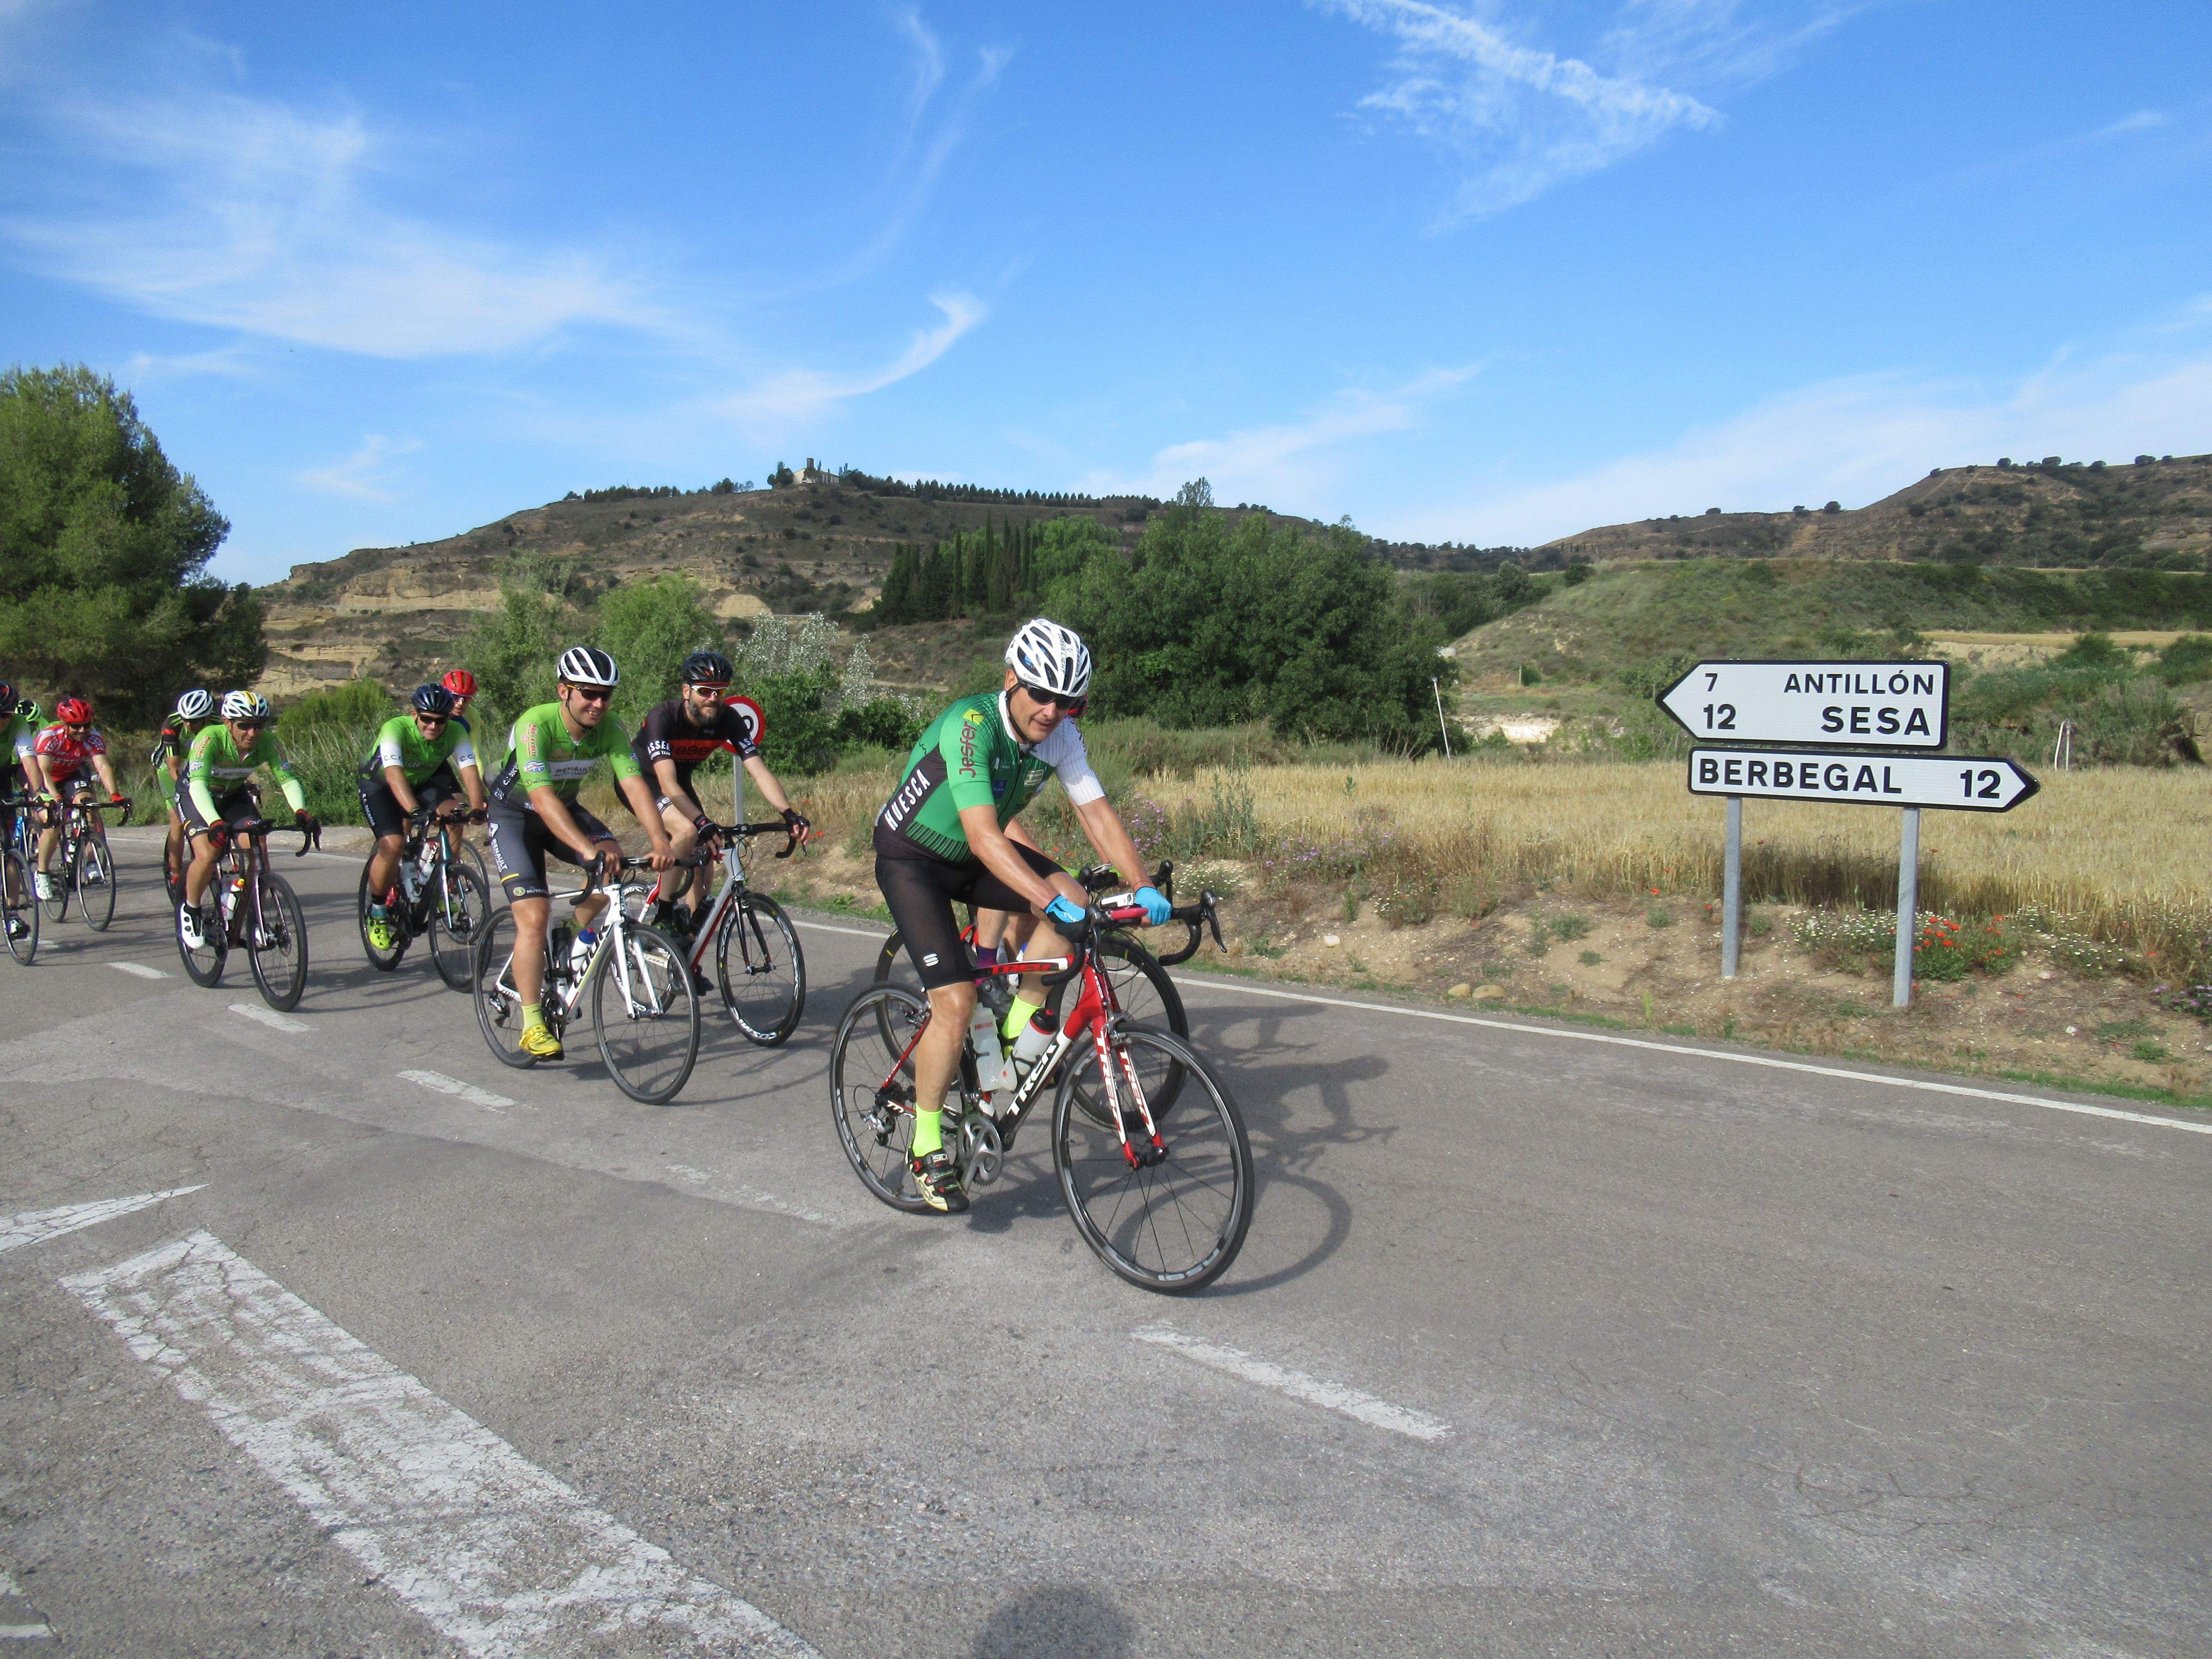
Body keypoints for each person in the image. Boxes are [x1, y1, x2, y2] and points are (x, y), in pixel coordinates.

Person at [873, 618, 1173, 1214]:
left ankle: (1017, 1028)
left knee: (1080, 907)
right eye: (1040, 694)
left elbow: (1097, 815)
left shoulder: (1059, 736)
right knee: (954, 1002)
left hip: (972, 854)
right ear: (1011, 679)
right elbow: (987, 838)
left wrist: (1141, 884)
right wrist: (1044, 897)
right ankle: (926, 1143)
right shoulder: (972, 724)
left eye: (1070, 702)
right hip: (915, 858)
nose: (1052, 711)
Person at [483, 647, 671, 1060]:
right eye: (589, 693)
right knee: (534, 917)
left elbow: (636, 784)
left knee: (614, 867)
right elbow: (542, 796)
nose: (599, 704)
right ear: (564, 691)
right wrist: (587, 851)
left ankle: (570, 937)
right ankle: (533, 1023)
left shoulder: (610, 729)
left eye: (606, 695)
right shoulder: (536, 724)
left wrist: (660, 839)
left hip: (562, 811)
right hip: (516, 813)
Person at [628, 649, 810, 934]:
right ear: (686, 690)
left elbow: (759, 772)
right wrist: (700, 822)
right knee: (688, 832)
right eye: (705, 691)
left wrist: (788, 813)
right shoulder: (663, 717)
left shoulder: (729, 718)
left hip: (680, 782)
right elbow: (666, 782)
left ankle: (687, 946)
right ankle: (663, 911)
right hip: (644, 781)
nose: (713, 698)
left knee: (704, 857)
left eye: (720, 691)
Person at [179, 691, 316, 951]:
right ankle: (192, 911)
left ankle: (254, 921)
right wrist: (215, 822)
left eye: (259, 726)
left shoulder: (270, 742)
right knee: (208, 853)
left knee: (256, 849)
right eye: (244, 725)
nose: (252, 733)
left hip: (233, 795)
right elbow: (197, 787)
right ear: (227, 722)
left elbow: (287, 779)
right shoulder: (208, 739)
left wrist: (301, 811)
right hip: (196, 794)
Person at [359, 684, 488, 950]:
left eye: (440, 721)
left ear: (449, 719)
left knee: (456, 814)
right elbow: (394, 775)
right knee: (394, 845)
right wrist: (414, 810)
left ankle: (443, 882)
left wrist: (476, 808)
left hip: (421, 782)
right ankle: (378, 911)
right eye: (426, 719)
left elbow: (469, 770)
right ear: (414, 714)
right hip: (380, 785)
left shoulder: (456, 731)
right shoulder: (396, 728)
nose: (433, 726)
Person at [32, 696, 127, 900]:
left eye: (87, 726)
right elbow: (44, 772)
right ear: (65, 724)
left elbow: (102, 767)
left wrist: (115, 794)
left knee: (88, 804)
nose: (83, 731)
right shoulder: (49, 736)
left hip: (72, 775)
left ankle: (90, 858)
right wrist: (55, 797)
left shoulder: (93, 737)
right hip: (46, 778)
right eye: (76, 727)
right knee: (53, 823)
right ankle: (42, 874)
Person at [153, 689, 217, 889]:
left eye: (195, 721)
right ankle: (176, 873)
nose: (189, 725)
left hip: (200, 763)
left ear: (207, 717)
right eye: (186, 719)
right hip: (170, 768)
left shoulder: (220, 723)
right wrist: (189, 794)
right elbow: (174, 768)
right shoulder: (173, 725)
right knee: (179, 820)